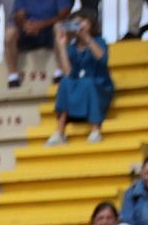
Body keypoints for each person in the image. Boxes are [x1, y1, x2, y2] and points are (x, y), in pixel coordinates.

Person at [5, 0, 74, 88]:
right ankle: (13, 76)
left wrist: (41, 25)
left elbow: (63, 14)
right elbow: (18, 15)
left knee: (60, 27)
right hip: (29, 32)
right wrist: (25, 25)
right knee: (9, 32)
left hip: (50, 32)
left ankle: (59, 72)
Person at [47, 10, 113, 144]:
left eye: (82, 21)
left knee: (88, 83)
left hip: (99, 86)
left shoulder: (99, 41)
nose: (78, 25)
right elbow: (68, 73)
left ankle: (95, 130)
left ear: (90, 24)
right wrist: (61, 46)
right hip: (79, 86)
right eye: (75, 23)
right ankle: (60, 131)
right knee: (65, 81)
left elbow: (102, 58)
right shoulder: (71, 48)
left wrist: (87, 38)